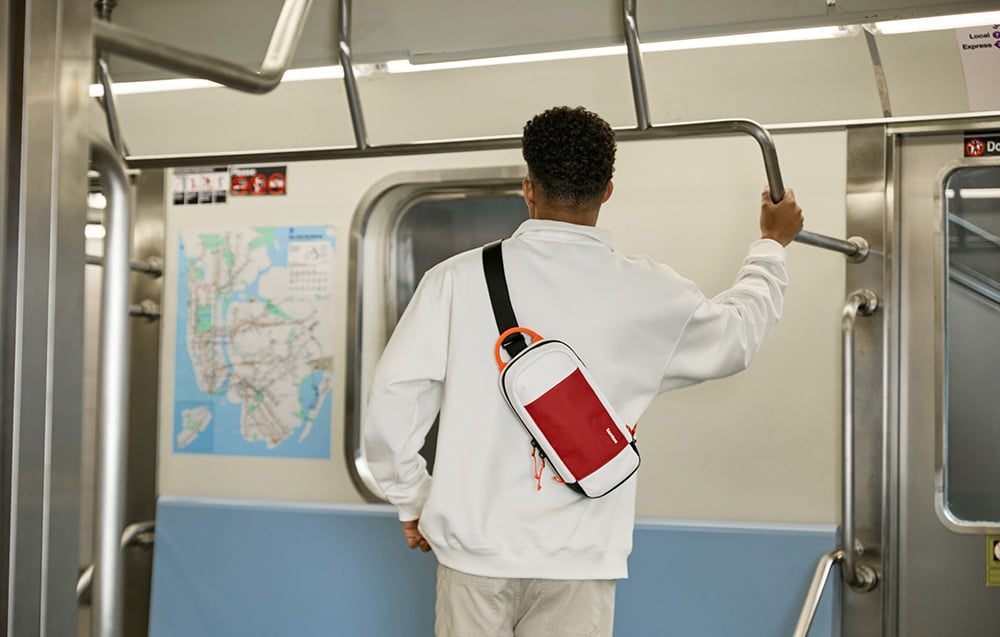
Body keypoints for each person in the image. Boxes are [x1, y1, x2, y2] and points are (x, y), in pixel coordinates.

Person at [363, 105, 803, 636]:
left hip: (473, 561)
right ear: (608, 191)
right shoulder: (648, 290)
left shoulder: (452, 281)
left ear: (528, 188)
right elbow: (737, 336)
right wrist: (770, 248)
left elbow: (393, 401)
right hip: (581, 563)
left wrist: (412, 497)